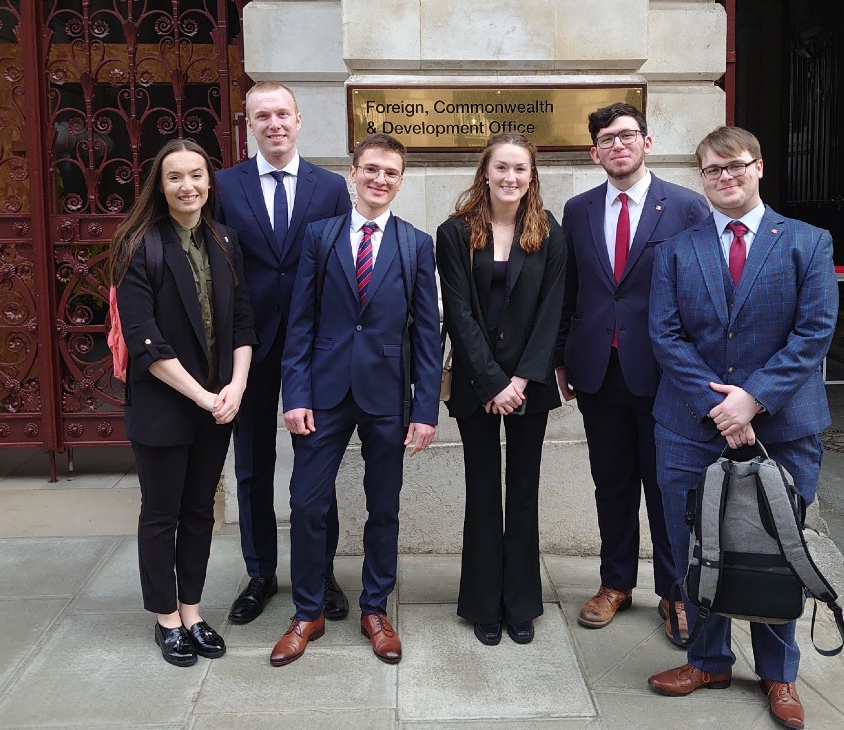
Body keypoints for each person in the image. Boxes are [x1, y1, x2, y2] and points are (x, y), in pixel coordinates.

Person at [645, 125, 838, 730]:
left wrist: (752, 400)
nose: (725, 177)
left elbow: (815, 331)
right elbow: (666, 336)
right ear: (700, 179)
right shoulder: (679, 248)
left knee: (779, 548)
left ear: (759, 168)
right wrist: (719, 408)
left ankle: (779, 676)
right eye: (711, 170)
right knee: (690, 546)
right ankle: (708, 659)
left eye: (735, 166)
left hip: (782, 425)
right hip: (689, 424)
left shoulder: (808, 242)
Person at [271, 133, 442, 667]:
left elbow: (428, 332)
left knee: (383, 506)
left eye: (390, 172)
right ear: (353, 172)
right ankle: (307, 611)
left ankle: (375, 607)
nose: (380, 180)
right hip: (322, 393)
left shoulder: (415, 244)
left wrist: (425, 409)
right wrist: (294, 392)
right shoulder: (320, 237)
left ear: (400, 180)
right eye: (371, 169)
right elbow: (300, 321)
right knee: (306, 502)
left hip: (387, 393)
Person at [554, 102, 710, 643]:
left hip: (666, 374)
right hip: (598, 370)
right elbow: (568, 290)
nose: (616, 146)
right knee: (611, 483)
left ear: (646, 142)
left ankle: (675, 593)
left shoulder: (688, 207)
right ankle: (615, 582)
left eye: (626, 136)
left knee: (667, 487)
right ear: (593, 152)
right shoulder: (577, 211)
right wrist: (561, 357)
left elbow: (703, 293)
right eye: (606, 140)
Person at [110, 139, 258, 667]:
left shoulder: (224, 240)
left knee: (200, 511)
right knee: (161, 512)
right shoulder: (137, 244)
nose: (188, 186)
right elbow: (145, 337)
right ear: (160, 185)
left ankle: (192, 611)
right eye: (176, 177)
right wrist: (202, 395)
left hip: (219, 401)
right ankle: (165, 618)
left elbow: (242, 320)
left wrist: (236, 386)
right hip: (166, 402)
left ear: (209, 182)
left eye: (197, 175)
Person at [215, 81, 351, 626]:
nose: (274, 124)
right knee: (252, 465)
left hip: (314, 349)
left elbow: (342, 267)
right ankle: (260, 572)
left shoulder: (331, 187)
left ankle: (318, 572)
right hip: (247, 345)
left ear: (299, 120)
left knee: (315, 465)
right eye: (261, 116)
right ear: (249, 123)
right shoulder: (225, 185)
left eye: (282, 114)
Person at [436, 133, 567, 646]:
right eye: (502, 168)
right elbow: (459, 312)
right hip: (476, 384)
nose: (510, 178)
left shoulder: (550, 232)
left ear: (531, 176)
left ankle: (521, 604)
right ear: (484, 172)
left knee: (524, 491)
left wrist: (520, 380)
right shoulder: (454, 232)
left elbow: (552, 311)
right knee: (483, 491)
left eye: (520, 169)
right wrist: (492, 381)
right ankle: (482, 603)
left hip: (528, 386)